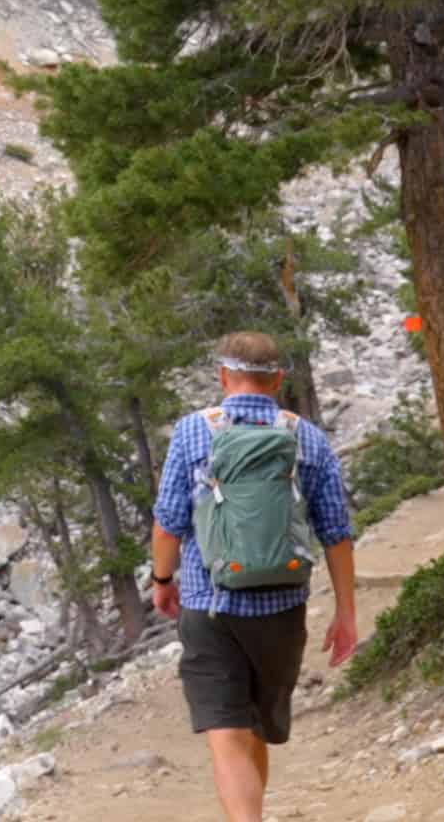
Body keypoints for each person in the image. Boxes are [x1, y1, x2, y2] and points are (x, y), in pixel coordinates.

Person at [150, 331, 358, 822]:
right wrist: (346, 613)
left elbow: (168, 523)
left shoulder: (193, 432)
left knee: (227, 736)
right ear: (278, 379)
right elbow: (336, 533)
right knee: (257, 729)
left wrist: (162, 581)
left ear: (223, 377)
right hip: (281, 609)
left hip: (210, 604)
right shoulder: (307, 437)